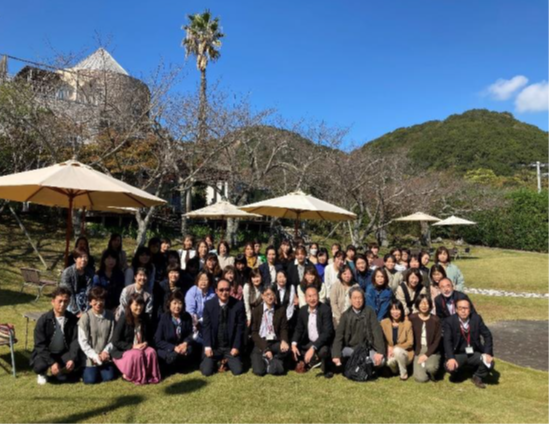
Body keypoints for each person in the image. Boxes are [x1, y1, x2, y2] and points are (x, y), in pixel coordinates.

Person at [31, 287, 81, 385]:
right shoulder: (43, 320)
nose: (62, 304)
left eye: (66, 301)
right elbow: (40, 345)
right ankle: (42, 373)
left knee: (68, 372)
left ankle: (60, 370)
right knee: (40, 366)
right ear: (53, 302)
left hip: (63, 352)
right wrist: (52, 362)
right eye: (60, 301)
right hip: (46, 353)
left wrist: (72, 358)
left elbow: (75, 340)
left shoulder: (72, 319)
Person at [444, 298, 494, 389]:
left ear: (470, 309)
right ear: (456, 310)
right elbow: (447, 341)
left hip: (474, 352)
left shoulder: (476, 319)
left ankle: (477, 376)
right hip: (457, 353)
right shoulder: (449, 321)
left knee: (490, 363)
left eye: (466, 308)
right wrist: (451, 358)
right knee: (449, 366)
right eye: (460, 308)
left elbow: (487, 335)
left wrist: (487, 353)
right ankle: (457, 373)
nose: (463, 311)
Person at [332, 287, 385, 372]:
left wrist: (380, 352)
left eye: (360, 298)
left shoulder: (370, 312)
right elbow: (339, 336)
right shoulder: (345, 315)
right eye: (355, 298)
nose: (357, 301)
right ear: (350, 299)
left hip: (366, 349)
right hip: (350, 349)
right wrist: (336, 355)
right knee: (336, 355)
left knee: (381, 362)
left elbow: (376, 332)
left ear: (363, 299)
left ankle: (363, 365)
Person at [112, 293, 161, 385]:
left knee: (151, 352)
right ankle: (132, 376)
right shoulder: (123, 319)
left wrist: (146, 343)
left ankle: (150, 376)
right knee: (137, 354)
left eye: (141, 304)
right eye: (136, 305)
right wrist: (132, 346)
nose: (139, 307)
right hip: (125, 350)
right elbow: (115, 341)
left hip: (141, 346)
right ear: (130, 305)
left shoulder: (145, 317)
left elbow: (151, 336)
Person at [200, 278, 246, 376]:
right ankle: (219, 362)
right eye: (221, 290)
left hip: (230, 347)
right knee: (206, 371)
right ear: (216, 291)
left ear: (230, 290)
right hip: (215, 347)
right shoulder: (208, 305)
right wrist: (208, 346)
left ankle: (224, 361)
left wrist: (236, 347)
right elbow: (206, 327)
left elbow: (240, 328)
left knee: (238, 370)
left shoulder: (238, 305)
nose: (224, 293)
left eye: (227, 290)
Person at [292, 285, 334, 377]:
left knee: (324, 351)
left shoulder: (325, 309)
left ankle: (321, 362)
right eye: (309, 296)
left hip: (322, 343)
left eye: (314, 295)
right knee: (294, 350)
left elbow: (327, 332)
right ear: (305, 298)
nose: (312, 299)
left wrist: (313, 348)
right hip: (308, 342)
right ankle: (312, 361)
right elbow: (299, 329)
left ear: (318, 296)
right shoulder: (303, 310)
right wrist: (293, 343)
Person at [78, 287, 116, 384]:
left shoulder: (110, 316)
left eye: (101, 300)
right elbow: (83, 341)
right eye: (95, 300)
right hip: (90, 356)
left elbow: (113, 338)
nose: (98, 303)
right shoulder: (85, 317)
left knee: (109, 377)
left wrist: (105, 352)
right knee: (90, 380)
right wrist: (94, 355)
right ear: (90, 302)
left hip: (105, 355)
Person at [250, 285, 290, 376]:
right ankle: (269, 361)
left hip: (274, 342)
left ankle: (271, 359)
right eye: (267, 294)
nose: (270, 297)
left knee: (286, 350)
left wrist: (284, 340)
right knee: (259, 371)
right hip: (261, 343)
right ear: (262, 296)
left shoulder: (280, 310)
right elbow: (254, 333)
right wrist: (265, 349)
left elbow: (284, 328)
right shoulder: (256, 311)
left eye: (272, 294)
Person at [154, 291, 195, 375]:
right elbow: (157, 340)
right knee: (168, 355)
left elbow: (190, 334)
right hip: (168, 348)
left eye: (180, 303)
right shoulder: (164, 318)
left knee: (191, 349)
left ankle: (176, 362)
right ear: (169, 303)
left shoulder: (186, 316)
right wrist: (174, 348)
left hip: (182, 347)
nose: (177, 306)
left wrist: (185, 343)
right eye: (174, 303)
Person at [409, 295, 442, 383]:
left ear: (430, 305)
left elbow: (437, 340)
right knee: (421, 378)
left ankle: (432, 373)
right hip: (418, 349)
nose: (424, 306)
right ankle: (423, 370)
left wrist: (426, 355)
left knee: (431, 368)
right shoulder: (412, 318)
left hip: (432, 349)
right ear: (417, 305)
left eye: (427, 303)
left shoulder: (436, 320)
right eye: (421, 303)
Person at [380, 299, 414, 380]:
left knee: (397, 350)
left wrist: (395, 347)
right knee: (389, 362)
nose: (395, 312)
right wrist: (388, 348)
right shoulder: (384, 323)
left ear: (401, 311)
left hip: (405, 353)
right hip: (390, 353)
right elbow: (381, 339)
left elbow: (410, 342)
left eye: (398, 309)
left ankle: (404, 374)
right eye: (393, 309)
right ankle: (395, 371)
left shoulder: (407, 324)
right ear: (389, 311)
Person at [60, 249, 95, 316]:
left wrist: (87, 309)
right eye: (80, 257)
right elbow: (69, 293)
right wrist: (76, 311)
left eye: (85, 257)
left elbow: (90, 292)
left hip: (84, 302)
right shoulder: (68, 272)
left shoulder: (90, 272)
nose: (83, 259)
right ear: (75, 259)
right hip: (70, 301)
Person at [185, 272, 216, 344]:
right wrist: (196, 322)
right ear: (197, 280)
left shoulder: (212, 293)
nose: (203, 282)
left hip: (207, 321)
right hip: (194, 322)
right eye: (201, 279)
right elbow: (190, 311)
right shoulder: (192, 291)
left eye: (206, 279)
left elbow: (212, 310)